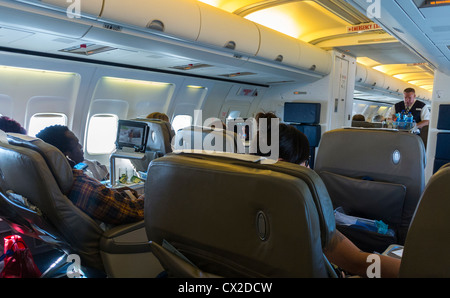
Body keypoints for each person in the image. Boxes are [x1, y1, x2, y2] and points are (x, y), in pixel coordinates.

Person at [256, 114, 401, 278]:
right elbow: (358, 263)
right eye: (306, 162)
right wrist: (413, 270)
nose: (309, 169)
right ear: (282, 165)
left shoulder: (236, 199)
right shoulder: (303, 213)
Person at [36, 125, 143, 225]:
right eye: (77, 144)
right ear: (67, 156)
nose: (81, 146)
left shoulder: (44, 179)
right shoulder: (79, 185)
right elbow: (132, 212)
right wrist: (146, 199)